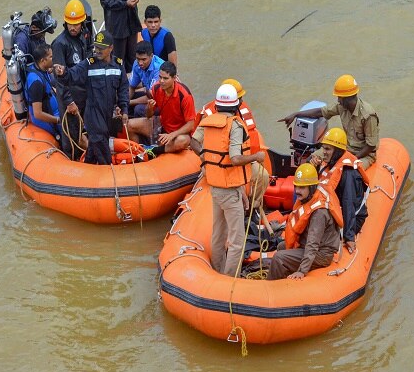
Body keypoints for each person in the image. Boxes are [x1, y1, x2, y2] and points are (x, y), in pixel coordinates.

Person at [190, 84, 267, 277]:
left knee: (218, 235)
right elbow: (235, 159)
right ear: (236, 105)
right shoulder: (235, 125)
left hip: (216, 186)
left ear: (217, 105)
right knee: (236, 241)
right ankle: (229, 279)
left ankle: (217, 271)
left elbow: (193, 141)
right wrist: (255, 157)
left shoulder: (208, 122)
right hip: (229, 191)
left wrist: (206, 158)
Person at [54, 31, 129, 165]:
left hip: (107, 114)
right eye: (96, 47)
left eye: (101, 48)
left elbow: (123, 88)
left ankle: (89, 164)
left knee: (98, 143)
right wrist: (63, 72)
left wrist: (124, 109)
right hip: (93, 113)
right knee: (99, 140)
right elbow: (72, 75)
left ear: (111, 48)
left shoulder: (118, 65)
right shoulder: (89, 64)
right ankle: (108, 170)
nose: (97, 50)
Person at [278, 74, 379, 168]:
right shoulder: (341, 107)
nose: (338, 100)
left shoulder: (368, 115)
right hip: (346, 149)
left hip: (364, 155)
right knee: (312, 159)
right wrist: (296, 114)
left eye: (340, 97)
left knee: (350, 171)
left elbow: (371, 145)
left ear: (348, 98)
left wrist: (351, 159)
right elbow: (320, 112)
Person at [267, 163, 342, 280]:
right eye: (296, 186)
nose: (297, 191)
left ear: (312, 187)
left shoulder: (319, 213)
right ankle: (283, 276)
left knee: (279, 257)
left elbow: (313, 244)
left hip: (321, 253)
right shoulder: (308, 199)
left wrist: (302, 271)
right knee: (282, 246)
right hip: (307, 243)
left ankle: (271, 287)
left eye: (302, 188)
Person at [313, 128, 370, 254]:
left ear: (337, 151)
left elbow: (348, 203)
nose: (324, 152)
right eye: (324, 148)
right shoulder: (330, 163)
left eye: (328, 149)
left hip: (351, 218)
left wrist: (349, 236)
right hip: (335, 210)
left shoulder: (348, 174)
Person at [52, 0, 92, 159]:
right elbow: (59, 79)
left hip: (84, 94)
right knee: (72, 135)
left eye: (76, 24)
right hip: (70, 98)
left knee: (84, 129)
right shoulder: (60, 45)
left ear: (82, 22)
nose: (73, 27)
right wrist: (69, 102)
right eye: (70, 24)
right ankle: (71, 159)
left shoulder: (83, 36)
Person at [127, 61, 194, 155]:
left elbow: (191, 125)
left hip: (178, 132)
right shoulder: (156, 88)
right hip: (162, 124)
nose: (161, 81)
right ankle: (138, 152)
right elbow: (148, 116)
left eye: (165, 78)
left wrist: (172, 135)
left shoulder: (184, 95)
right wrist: (149, 108)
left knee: (183, 140)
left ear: (174, 78)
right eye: (160, 77)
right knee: (129, 125)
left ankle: (152, 152)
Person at [24, 42, 61, 139]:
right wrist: (58, 120)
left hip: (55, 110)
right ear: (43, 61)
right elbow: (38, 114)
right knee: (79, 136)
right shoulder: (36, 82)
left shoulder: (42, 70)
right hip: (49, 119)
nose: (54, 59)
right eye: (51, 57)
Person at [128, 40, 164, 117]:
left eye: (144, 59)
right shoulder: (136, 64)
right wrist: (124, 102)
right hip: (149, 95)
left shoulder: (159, 68)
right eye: (138, 59)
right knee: (122, 98)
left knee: (138, 109)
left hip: (162, 101)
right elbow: (132, 86)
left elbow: (151, 97)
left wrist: (129, 102)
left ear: (151, 56)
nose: (140, 63)